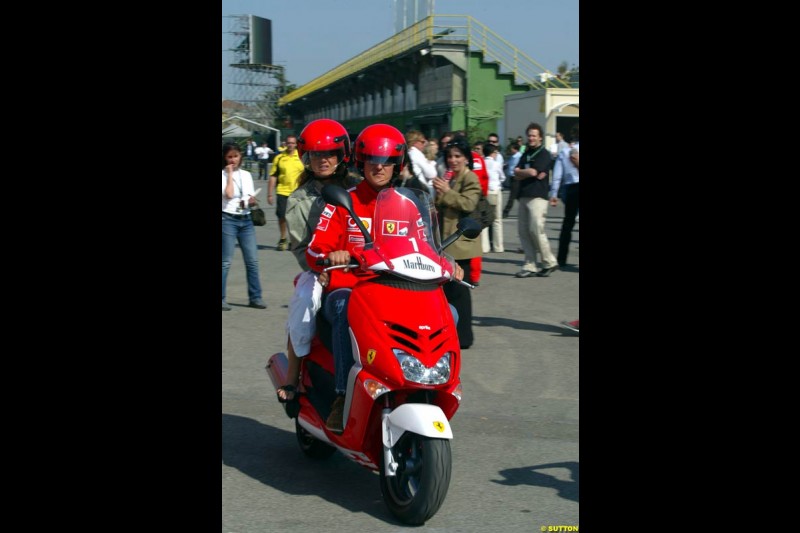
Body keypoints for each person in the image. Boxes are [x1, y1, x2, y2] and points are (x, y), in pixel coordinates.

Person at [306, 124, 464, 433]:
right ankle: (341, 395)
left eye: (388, 160)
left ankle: (431, 387)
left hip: (400, 290)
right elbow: (314, 250)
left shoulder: (410, 207)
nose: (379, 166)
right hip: (352, 289)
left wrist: (448, 264)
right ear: (360, 162)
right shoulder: (342, 201)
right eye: (372, 160)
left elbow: (426, 248)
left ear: (398, 165)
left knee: (451, 313)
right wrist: (331, 257)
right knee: (341, 308)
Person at [276, 119, 359, 403]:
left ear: (342, 155)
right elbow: (300, 248)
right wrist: (320, 268)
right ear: (306, 157)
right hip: (319, 267)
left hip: (364, 264)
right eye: (316, 154)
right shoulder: (299, 199)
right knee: (305, 302)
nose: (323, 160)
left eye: (329, 154)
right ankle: (293, 376)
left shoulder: (359, 187)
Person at [431, 135, 483, 349]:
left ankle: (464, 338)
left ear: (466, 158)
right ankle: (451, 332)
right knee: (447, 291)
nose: (453, 160)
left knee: (460, 292)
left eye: (458, 156)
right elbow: (439, 205)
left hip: (462, 243)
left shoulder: (470, 178)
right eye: (450, 156)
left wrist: (447, 192)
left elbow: (468, 204)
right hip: (446, 240)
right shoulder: (450, 177)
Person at [221, 143, 266, 311]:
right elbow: (229, 194)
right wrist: (230, 174)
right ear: (225, 158)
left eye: (236, 156)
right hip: (228, 219)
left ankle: (255, 297)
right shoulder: (223, 175)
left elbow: (248, 194)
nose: (233, 159)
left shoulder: (246, 175)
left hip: (246, 219)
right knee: (225, 261)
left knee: (252, 261)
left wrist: (250, 200)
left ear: (241, 156)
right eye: (229, 156)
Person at [513, 122, 559, 278]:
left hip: (538, 197)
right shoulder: (526, 153)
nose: (531, 138)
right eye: (529, 135)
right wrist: (525, 172)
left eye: (534, 135)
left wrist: (523, 172)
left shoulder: (543, 154)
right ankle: (530, 265)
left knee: (535, 230)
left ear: (540, 137)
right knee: (524, 232)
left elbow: (533, 172)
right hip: (524, 195)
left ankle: (549, 261)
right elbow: (516, 171)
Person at [549, 124, 580, 268]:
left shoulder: (565, 151)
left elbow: (557, 175)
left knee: (568, 223)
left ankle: (562, 258)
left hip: (571, 187)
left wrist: (554, 193)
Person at [268, 134, 304, 251]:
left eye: (293, 143)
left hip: (297, 193)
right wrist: (269, 194)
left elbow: (307, 174)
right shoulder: (279, 158)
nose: (290, 145)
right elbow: (273, 176)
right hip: (282, 191)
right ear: (285, 143)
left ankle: (294, 240)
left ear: (296, 144)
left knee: (296, 218)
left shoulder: (301, 157)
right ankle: (283, 238)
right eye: (289, 143)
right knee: (282, 217)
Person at [482, 143, 505, 253]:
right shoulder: (496, 164)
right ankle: (498, 246)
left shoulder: (482, 163)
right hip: (495, 191)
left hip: (485, 192)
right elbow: (502, 177)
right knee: (497, 220)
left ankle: (484, 247)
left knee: (484, 219)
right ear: (493, 153)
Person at [404, 130, 437, 194]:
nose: (424, 144)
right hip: (419, 188)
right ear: (414, 142)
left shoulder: (407, 153)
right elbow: (431, 174)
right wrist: (431, 164)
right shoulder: (416, 153)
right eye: (422, 142)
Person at [502, 142, 523, 218]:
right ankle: (525, 208)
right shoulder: (512, 157)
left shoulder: (519, 157)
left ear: (515, 149)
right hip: (511, 178)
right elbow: (508, 164)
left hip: (516, 178)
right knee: (517, 196)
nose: (511, 150)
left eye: (512, 148)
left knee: (512, 196)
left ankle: (505, 211)